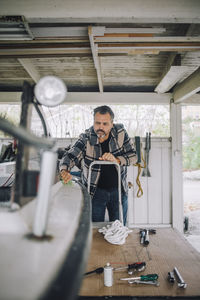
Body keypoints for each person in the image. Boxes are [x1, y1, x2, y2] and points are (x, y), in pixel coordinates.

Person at [59, 105, 137, 225]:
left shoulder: (121, 133)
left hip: (118, 190)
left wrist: (116, 159)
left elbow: (134, 156)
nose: (100, 127)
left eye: (105, 124)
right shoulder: (86, 137)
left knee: (120, 228)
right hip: (95, 192)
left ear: (112, 123)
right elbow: (70, 156)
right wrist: (64, 170)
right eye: (97, 123)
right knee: (94, 229)